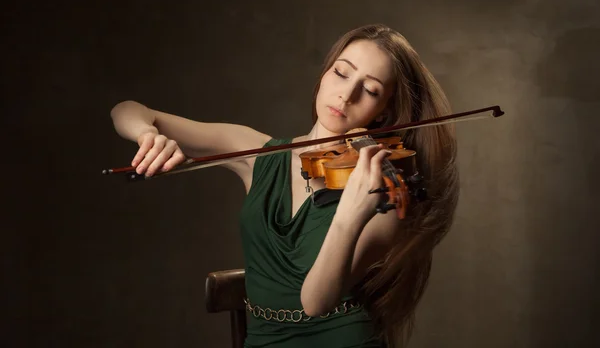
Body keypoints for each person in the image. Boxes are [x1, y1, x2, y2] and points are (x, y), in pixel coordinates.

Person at [109, 24, 459, 347]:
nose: (346, 95)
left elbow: (315, 301)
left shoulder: (380, 191)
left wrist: (350, 215)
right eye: (341, 72)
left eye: (369, 90)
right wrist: (148, 136)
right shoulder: (260, 153)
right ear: (324, 75)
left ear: (382, 112)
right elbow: (128, 109)